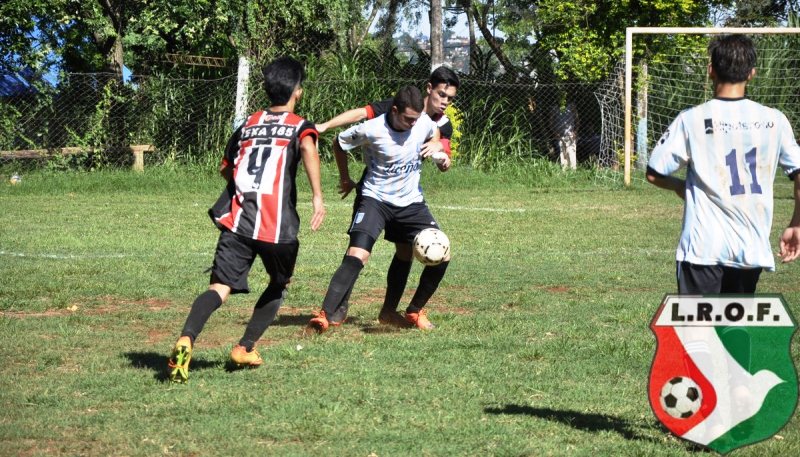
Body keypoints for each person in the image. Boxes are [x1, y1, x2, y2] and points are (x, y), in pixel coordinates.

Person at [167, 56, 326, 383]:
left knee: (219, 288)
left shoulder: (249, 123)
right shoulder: (299, 125)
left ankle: (186, 339)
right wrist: (317, 197)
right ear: (297, 91)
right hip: (276, 227)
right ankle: (245, 347)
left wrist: (240, 186)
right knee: (279, 284)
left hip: (237, 220)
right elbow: (309, 147)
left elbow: (227, 167)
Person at [646, 34, 800, 294]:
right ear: (752, 73)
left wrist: (680, 187)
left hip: (702, 249)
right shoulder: (775, 120)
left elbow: (654, 173)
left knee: (695, 334)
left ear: (710, 71)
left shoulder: (691, 119)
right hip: (750, 250)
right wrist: (796, 223)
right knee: (734, 333)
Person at [314, 66, 459, 326]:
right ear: (394, 111)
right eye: (407, 120)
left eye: (416, 120)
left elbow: (433, 133)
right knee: (358, 254)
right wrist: (345, 178)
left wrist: (438, 147)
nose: (413, 124)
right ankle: (326, 315)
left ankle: (407, 311)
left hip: (410, 202)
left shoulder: (425, 121)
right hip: (375, 199)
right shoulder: (372, 129)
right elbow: (339, 142)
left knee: (439, 252)